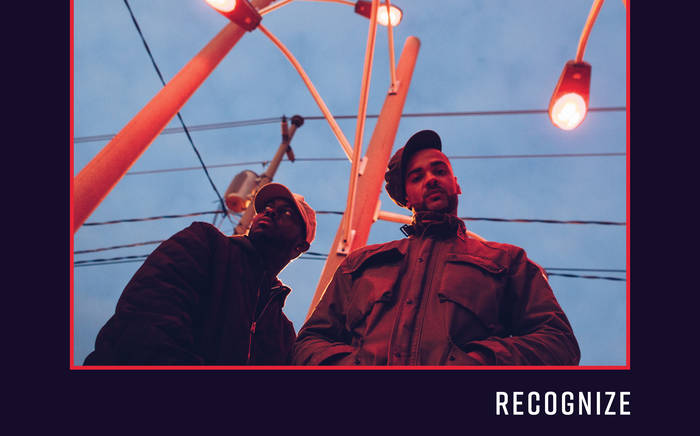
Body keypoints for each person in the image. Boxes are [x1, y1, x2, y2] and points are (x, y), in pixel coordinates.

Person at [293, 130, 580, 366]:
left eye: (439, 171)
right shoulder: (360, 264)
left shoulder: (507, 261)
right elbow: (309, 343)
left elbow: (558, 342)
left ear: (456, 184)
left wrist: (479, 362)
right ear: (407, 197)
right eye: (417, 177)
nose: (430, 179)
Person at [83, 182, 316, 366]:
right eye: (266, 208)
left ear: (300, 246)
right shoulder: (206, 243)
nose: (270, 212)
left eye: (285, 212)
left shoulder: (282, 334)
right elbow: (146, 318)